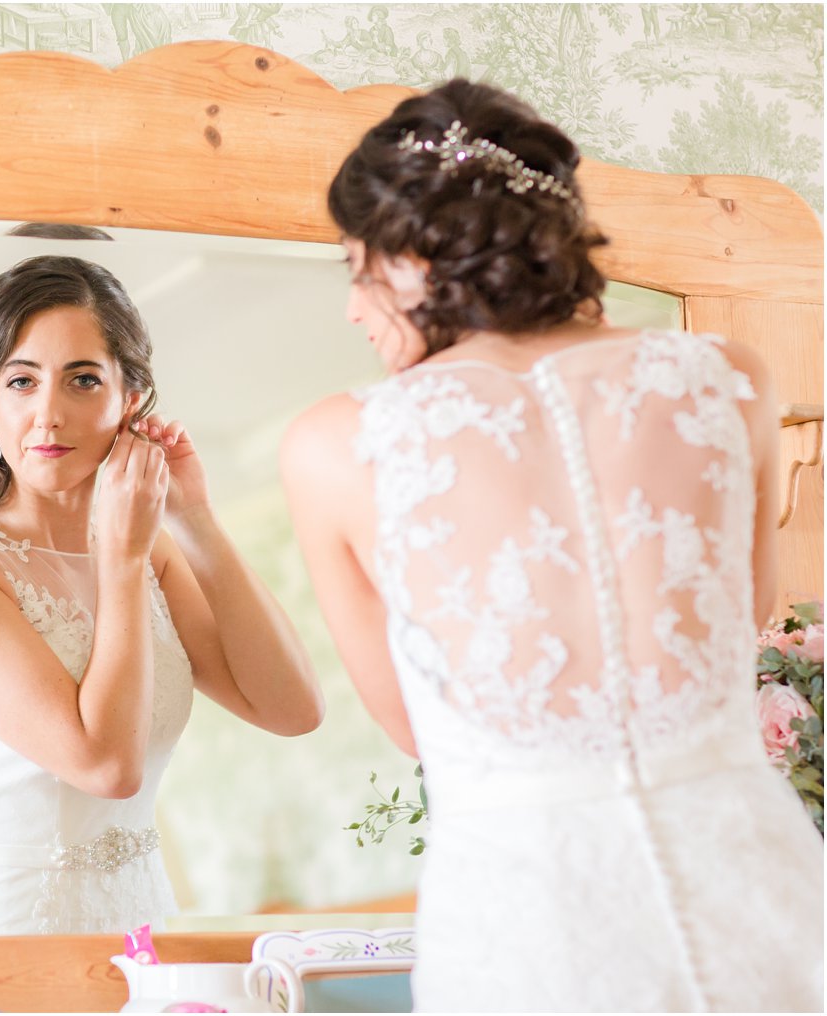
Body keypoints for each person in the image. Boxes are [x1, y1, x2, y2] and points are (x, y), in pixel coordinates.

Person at [280, 79, 823, 1011]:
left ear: (416, 255)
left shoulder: (339, 442)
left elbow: (415, 726)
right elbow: (746, 622)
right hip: (756, 889)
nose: (353, 309)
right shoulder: (727, 378)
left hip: (529, 918)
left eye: (356, 267)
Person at [0, 255, 321, 935]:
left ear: (129, 402)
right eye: (21, 381)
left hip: (144, 932)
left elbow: (292, 709)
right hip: (8, 946)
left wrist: (195, 521)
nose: (48, 414)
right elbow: (105, 766)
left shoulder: (157, 551)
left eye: (83, 380)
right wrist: (121, 556)